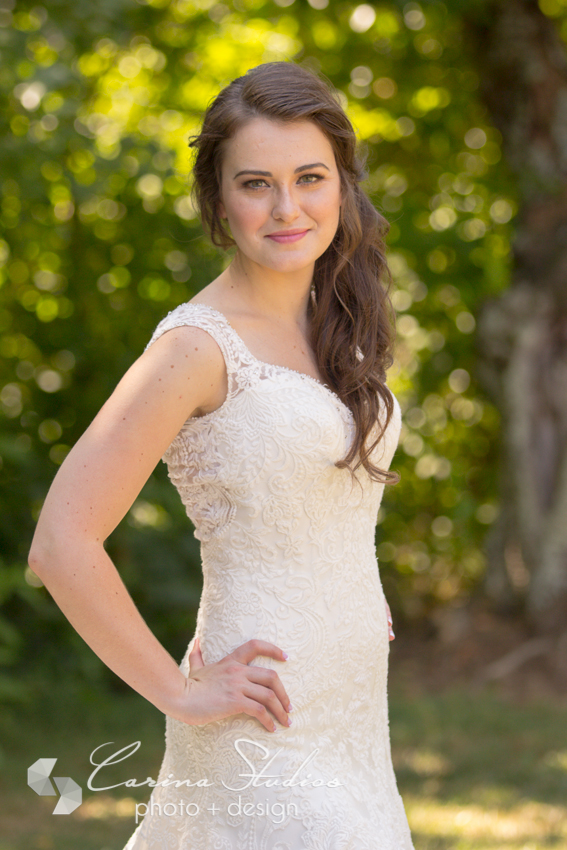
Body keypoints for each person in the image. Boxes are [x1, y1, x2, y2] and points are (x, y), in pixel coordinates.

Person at [28, 61, 415, 849]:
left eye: (309, 177)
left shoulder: (332, 324)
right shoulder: (196, 348)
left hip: (351, 713)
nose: (286, 208)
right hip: (257, 712)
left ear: (341, 184)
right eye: (254, 183)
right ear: (218, 200)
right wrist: (178, 691)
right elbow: (61, 542)